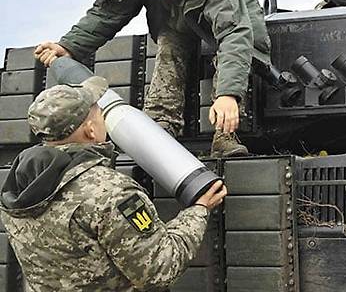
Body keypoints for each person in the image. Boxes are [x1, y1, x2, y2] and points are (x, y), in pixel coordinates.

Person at [34, 0, 272, 157]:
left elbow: (234, 32)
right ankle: (160, 129)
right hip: (178, 25)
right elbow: (109, 11)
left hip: (237, 24)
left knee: (228, 58)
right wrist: (69, 46)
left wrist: (227, 94)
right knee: (168, 45)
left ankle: (225, 137)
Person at [0, 77, 228, 291]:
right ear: (90, 130)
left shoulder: (17, 187)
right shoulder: (110, 192)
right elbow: (159, 269)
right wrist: (198, 210)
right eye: (99, 111)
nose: (104, 117)